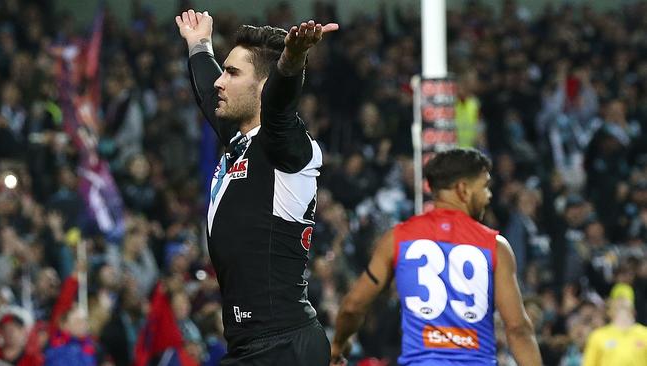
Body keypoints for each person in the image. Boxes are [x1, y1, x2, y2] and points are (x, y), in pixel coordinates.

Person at [175, 9, 338, 365]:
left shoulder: (285, 146)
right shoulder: (241, 139)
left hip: (280, 346)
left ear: (264, 86)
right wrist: (198, 43)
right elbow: (207, 92)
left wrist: (292, 60)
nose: (220, 80)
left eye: (232, 73)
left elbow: (279, 107)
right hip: (256, 346)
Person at [331, 148, 542, 365]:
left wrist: (339, 345)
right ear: (463, 190)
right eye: (485, 187)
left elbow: (353, 305)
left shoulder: (397, 239)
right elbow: (518, 330)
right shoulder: (496, 247)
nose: (489, 196)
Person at [582, 284, 647, 366]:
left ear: (633, 309)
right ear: (610, 309)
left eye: (625, 301)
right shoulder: (598, 336)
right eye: (617, 300)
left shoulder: (645, 334)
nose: (621, 303)